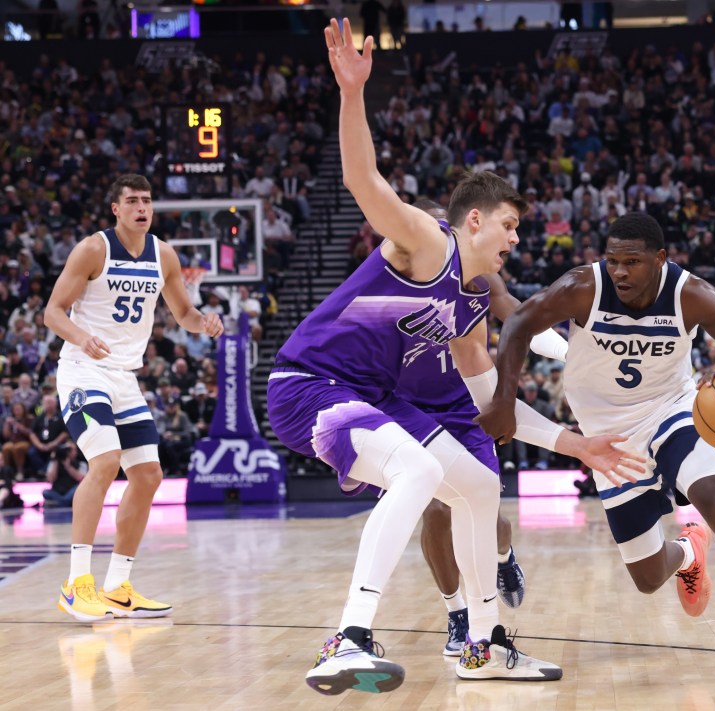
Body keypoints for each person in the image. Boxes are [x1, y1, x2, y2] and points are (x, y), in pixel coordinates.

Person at [268, 21, 640, 695]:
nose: (515, 238)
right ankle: (348, 637)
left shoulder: (469, 306)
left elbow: (489, 403)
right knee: (418, 467)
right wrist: (352, 92)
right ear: (474, 219)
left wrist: (576, 445)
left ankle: (484, 643)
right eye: (510, 224)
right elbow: (361, 177)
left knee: (478, 482)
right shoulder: (425, 240)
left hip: (373, 398)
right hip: (307, 384)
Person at [478, 212, 715, 681]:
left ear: (660, 260)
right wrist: (505, 399)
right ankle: (689, 552)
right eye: (613, 260)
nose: (620, 271)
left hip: (673, 410)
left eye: (632, 261)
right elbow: (519, 322)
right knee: (647, 578)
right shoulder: (584, 286)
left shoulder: (692, 294)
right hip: (608, 435)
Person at [44, 173, 224, 622]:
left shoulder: (163, 253)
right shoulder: (93, 249)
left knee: (147, 475)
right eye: (133, 201)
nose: (142, 207)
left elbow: (182, 312)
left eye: (147, 200)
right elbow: (52, 312)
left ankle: (118, 586)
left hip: (124, 377)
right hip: (84, 370)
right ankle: (76, 584)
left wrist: (205, 322)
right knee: (104, 464)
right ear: (116, 209)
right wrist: (82, 338)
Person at [397, 200, 569, 656]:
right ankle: (457, 613)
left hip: (465, 401)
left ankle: (502, 556)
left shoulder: (476, 269)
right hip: (412, 407)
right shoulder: (392, 272)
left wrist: (570, 352)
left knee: (485, 514)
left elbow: (515, 312)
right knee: (437, 509)